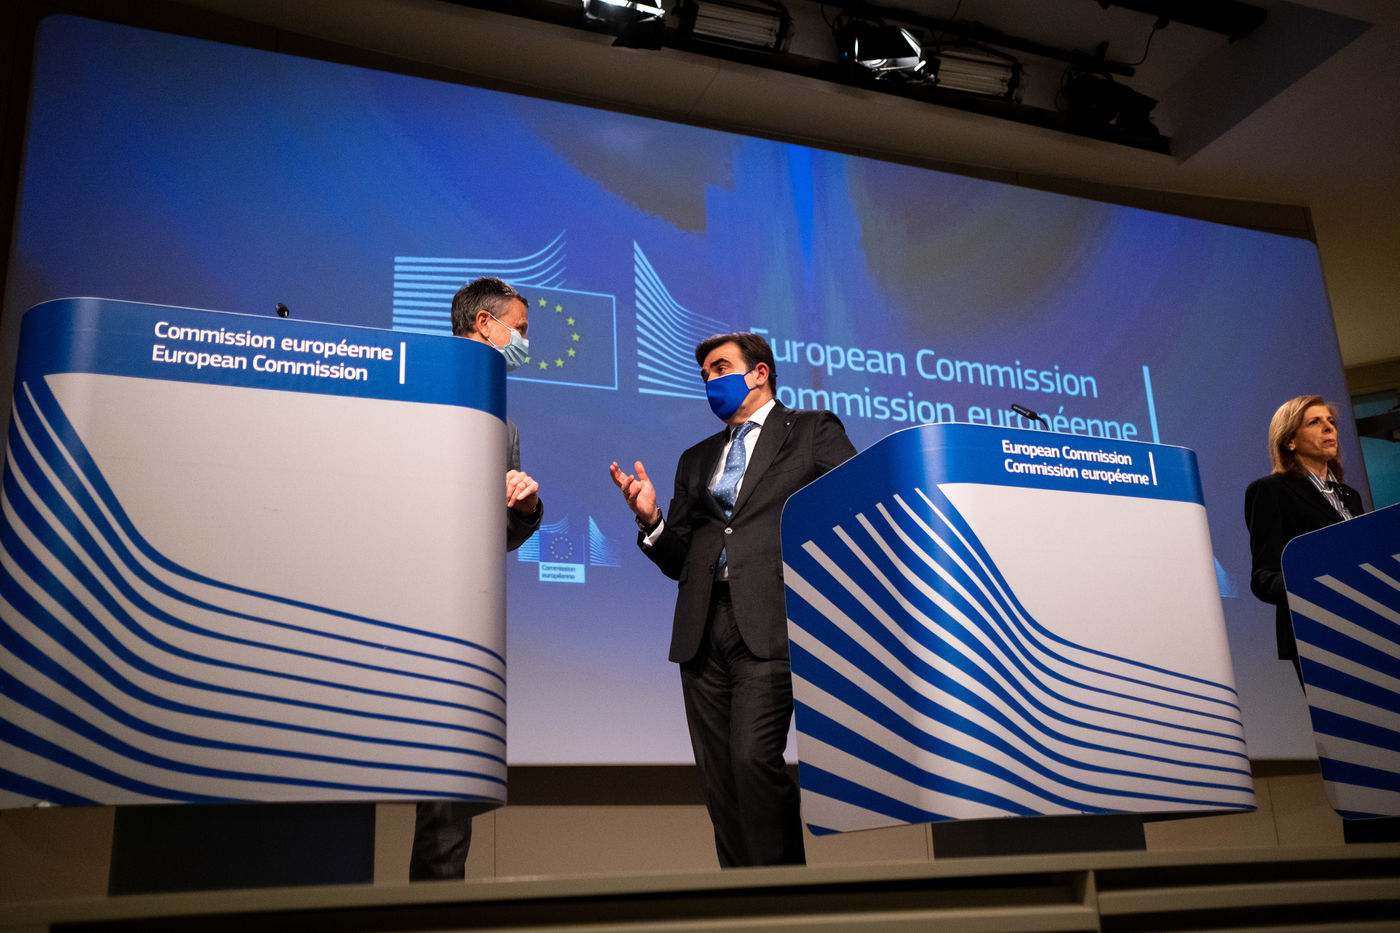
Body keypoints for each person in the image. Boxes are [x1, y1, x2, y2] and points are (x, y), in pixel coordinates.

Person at [609, 332, 856, 868]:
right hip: (702, 631)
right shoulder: (696, 459)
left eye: (721, 368)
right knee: (720, 779)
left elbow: (851, 506)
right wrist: (651, 520)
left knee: (752, 761)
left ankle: (783, 897)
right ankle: (742, 896)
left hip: (773, 620)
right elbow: (679, 557)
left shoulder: (811, 431)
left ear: (760, 372)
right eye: (705, 375)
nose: (710, 381)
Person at [409, 277, 543, 881]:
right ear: (486, 324)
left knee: (447, 801)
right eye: (521, 328)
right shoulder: (412, 384)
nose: (526, 342)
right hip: (387, 605)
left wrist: (524, 508)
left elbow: (500, 536)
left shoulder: (503, 426)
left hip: (459, 625)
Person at [1244, 394, 1364, 683]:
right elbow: (1264, 578)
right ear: (1289, 441)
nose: (1329, 427)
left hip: (1370, 623)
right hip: (1318, 633)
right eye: (1314, 422)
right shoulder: (1270, 491)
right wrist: (1317, 586)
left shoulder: (1351, 496)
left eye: (1330, 421)